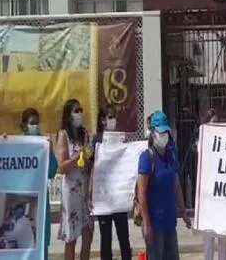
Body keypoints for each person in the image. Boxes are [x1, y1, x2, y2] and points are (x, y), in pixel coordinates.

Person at [137, 110, 191, 260]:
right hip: (154, 224)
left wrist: (184, 212)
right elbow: (141, 193)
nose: (164, 136)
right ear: (153, 134)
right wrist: (147, 223)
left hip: (169, 222)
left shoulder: (171, 155)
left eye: (166, 132)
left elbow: (176, 185)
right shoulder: (147, 158)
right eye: (161, 133)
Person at [90, 107, 132, 260]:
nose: (113, 120)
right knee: (105, 239)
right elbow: (92, 167)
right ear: (103, 120)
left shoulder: (120, 138)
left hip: (119, 195)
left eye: (114, 117)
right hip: (103, 197)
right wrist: (91, 194)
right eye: (110, 117)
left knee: (124, 237)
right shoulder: (97, 139)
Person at [55, 99, 93, 260]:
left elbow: (90, 163)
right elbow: (62, 167)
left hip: (84, 188)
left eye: (81, 110)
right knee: (72, 236)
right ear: (69, 115)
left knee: (88, 231)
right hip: (71, 189)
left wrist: (90, 158)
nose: (80, 114)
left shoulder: (84, 134)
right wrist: (76, 157)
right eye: (76, 111)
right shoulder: (63, 135)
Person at [21, 108, 58, 259]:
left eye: (37, 123)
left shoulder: (43, 145)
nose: (35, 126)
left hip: (41, 202)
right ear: (24, 126)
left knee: (41, 244)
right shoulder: (18, 145)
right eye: (32, 123)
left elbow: (52, 172)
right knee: (24, 243)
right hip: (23, 201)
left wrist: (49, 150)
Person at [200, 108, 226, 260]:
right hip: (208, 198)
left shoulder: (225, 143)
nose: (216, 126)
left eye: (218, 123)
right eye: (213, 123)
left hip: (222, 197)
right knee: (209, 240)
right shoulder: (202, 143)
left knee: (223, 239)